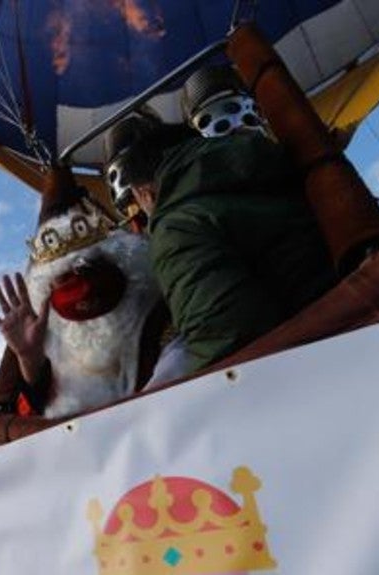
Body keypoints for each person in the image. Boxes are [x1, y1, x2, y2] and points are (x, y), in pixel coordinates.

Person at [104, 63, 337, 382]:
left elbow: (229, 346)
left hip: (307, 370)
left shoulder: (177, 228)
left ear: (145, 192)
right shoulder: (285, 167)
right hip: (350, 321)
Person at [0, 167, 169, 418]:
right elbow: (28, 416)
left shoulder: (156, 305)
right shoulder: (43, 334)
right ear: (47, 288)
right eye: (63, 277)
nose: (81, 290)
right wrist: (29, 360)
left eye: (86, 268)